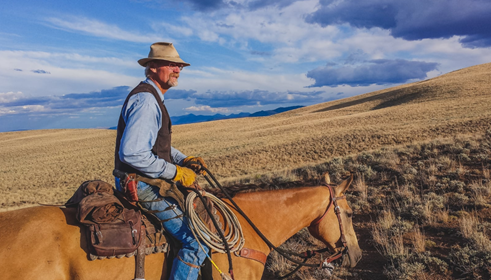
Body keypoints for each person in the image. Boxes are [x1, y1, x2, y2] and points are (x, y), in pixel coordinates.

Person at [114, 42, 209, 280]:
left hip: (145, 180)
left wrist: (184, 159)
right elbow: (133, 153)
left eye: (179, 66)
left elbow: (155, 144)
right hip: (143, 185)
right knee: (197, 242)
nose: (177, 69)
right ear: (153, 67)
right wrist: (176, 173)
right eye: (171, 64)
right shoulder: (147, 101)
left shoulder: (152, 96)